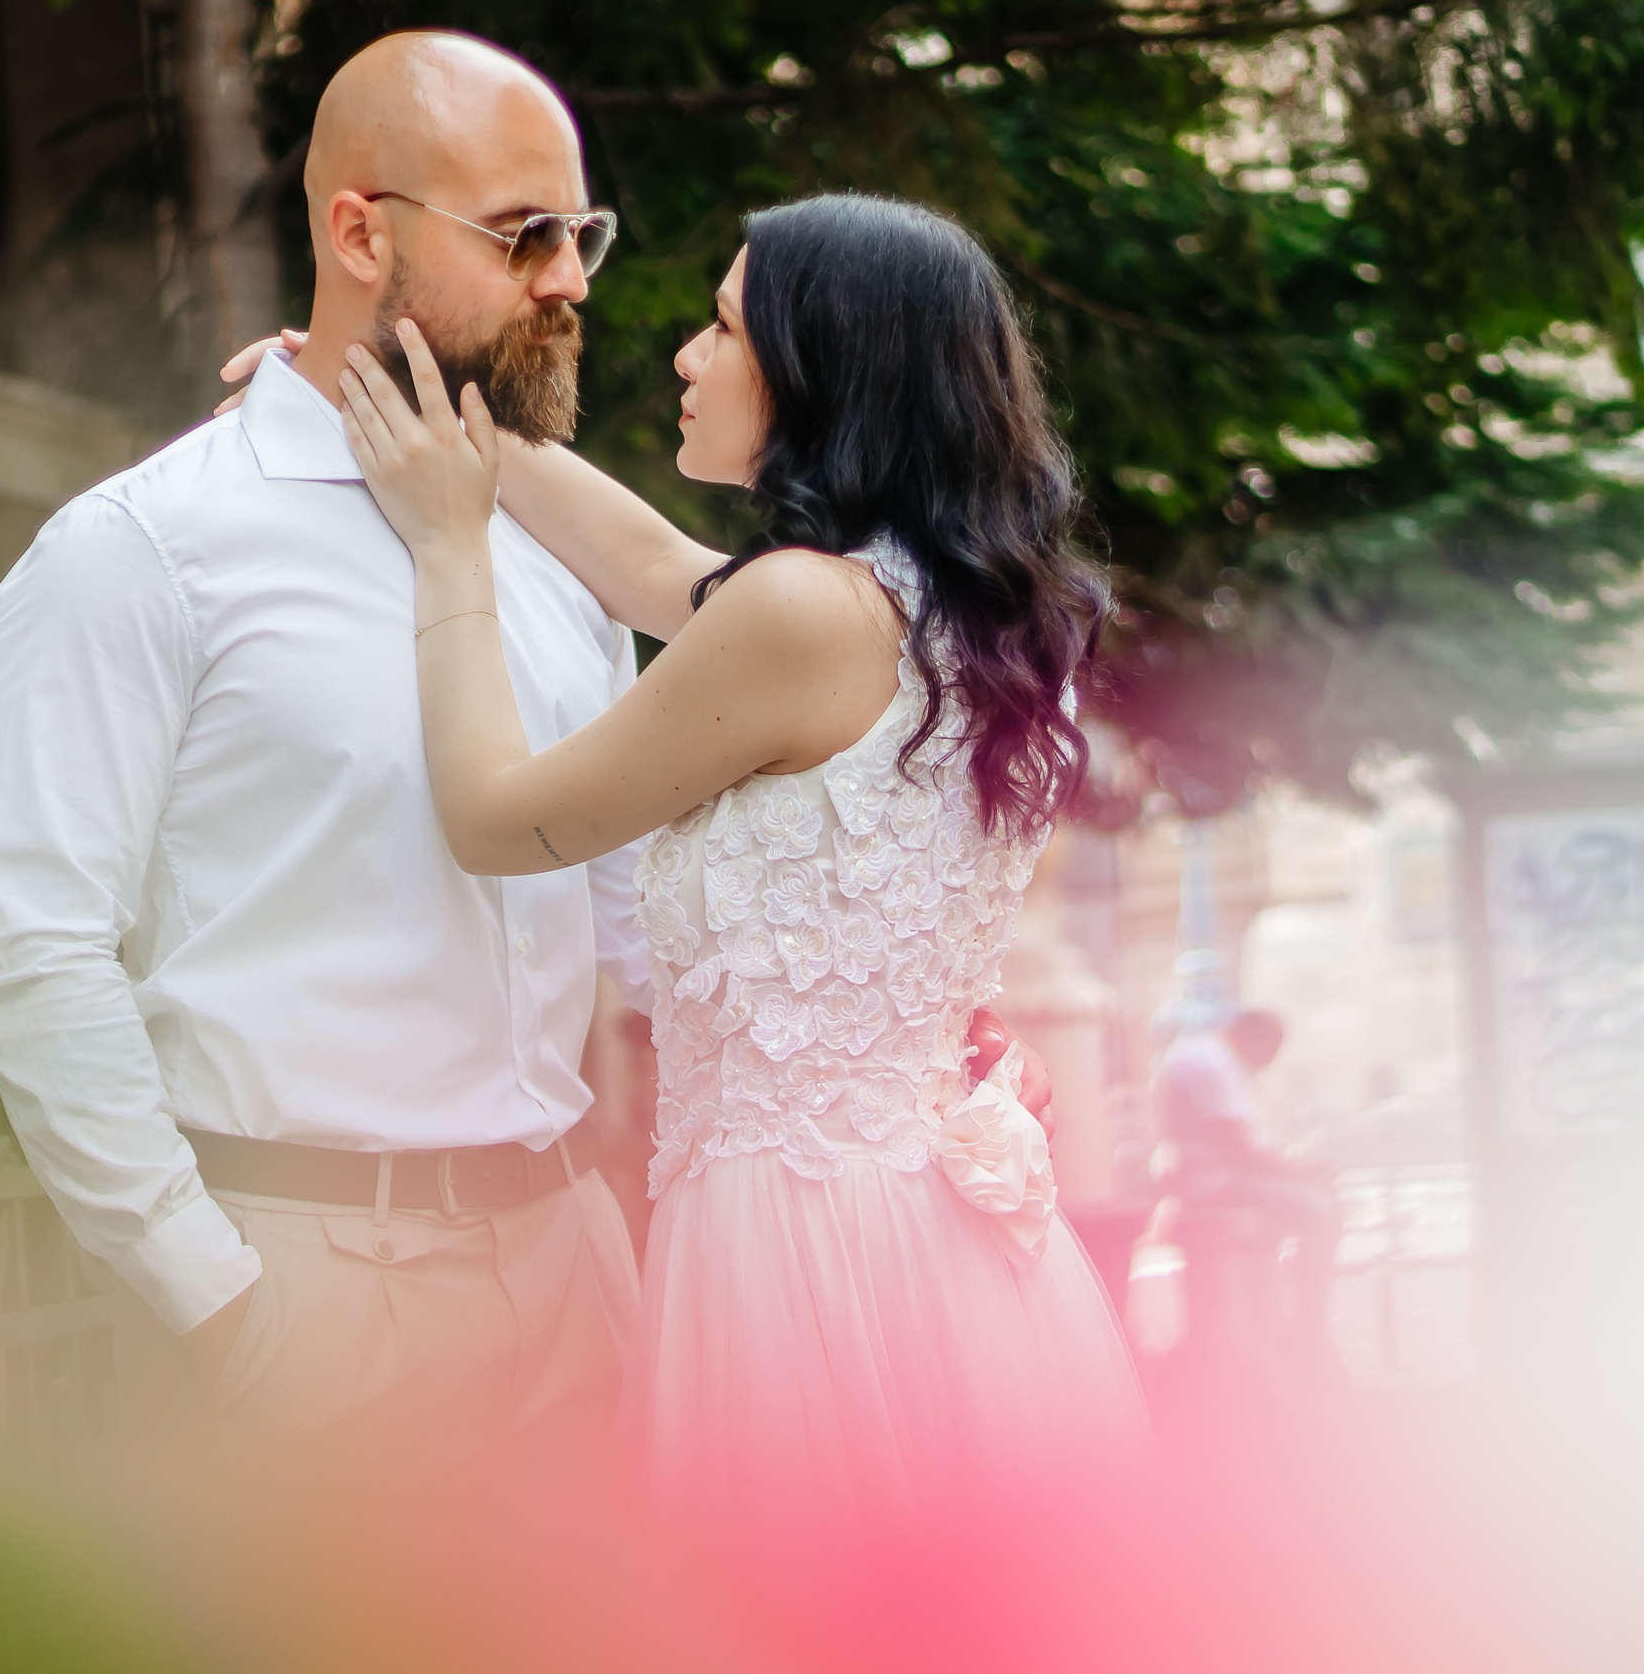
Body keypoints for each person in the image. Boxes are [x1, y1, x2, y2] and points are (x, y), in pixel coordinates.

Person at [313, 191, 1146, 1538]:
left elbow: (493, 816)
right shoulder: (947, 611)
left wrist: (452, 542)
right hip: (922, 1237)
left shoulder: (801, 613)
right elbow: (651, 566)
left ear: (827, 371)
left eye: (720, 327)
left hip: (808, 1251)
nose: (686, 359)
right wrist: (388, 383)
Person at [0, 31, 654, 1461]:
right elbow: (30, 950)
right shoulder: (141, 550)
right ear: (357, 231)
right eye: (524, 236)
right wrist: (225, 1310)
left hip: (583, 1283)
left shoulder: (571, 560)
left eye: (581, 234)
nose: (570, 280)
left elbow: (627, 928)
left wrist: (624, 1222)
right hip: (315, 1296)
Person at [1152, 999, 1339, 1369]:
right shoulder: (1212, 1063)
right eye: (1270, 1051)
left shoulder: (1208, 1056)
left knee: (1318, 1199)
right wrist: (1298, 1172)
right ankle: (1309, 1324)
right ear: (1251, 1034)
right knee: (1322, 1212)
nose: (1268, 1063)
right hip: (1215, 1182)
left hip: (1217, 1177)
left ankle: (1302, 1318)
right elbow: (1239, 1148)